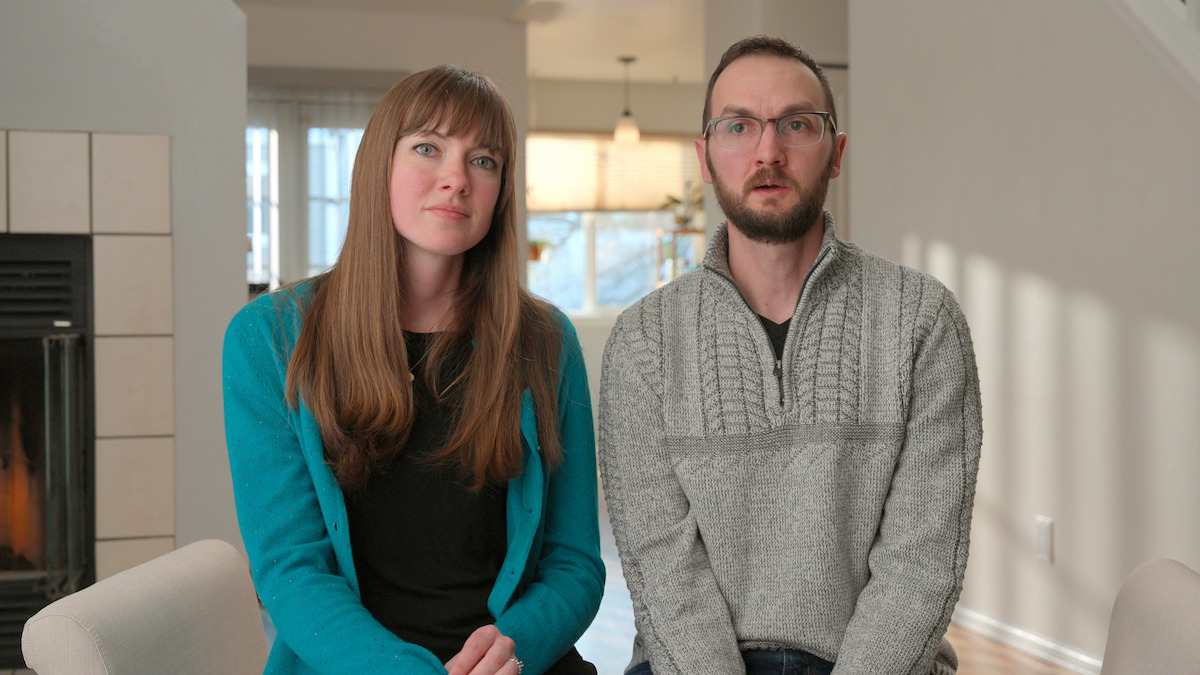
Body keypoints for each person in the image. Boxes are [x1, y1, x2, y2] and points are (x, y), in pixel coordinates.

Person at [598, 36, 982, 675]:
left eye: (797, 125)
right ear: (706, 156)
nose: (768, 151)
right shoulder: (644, 340)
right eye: (738, 126)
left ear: (836, 153)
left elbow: (921, 566)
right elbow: (661, 569)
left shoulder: (922, 318)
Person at [223, 65, 604, 675]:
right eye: (428, 148)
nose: (456, 179)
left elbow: (575, 561)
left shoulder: (545, 340)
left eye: (484, 161)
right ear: (379, 165)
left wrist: (515, 647)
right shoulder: (270, 338)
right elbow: (290, 568)